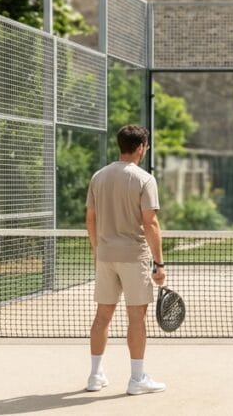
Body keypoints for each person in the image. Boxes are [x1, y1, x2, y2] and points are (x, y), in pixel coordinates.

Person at [84, 124, 168, 395]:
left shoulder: (98, 176)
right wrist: (159, 263)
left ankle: (95, 376)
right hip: (134, 257)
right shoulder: (145, 179)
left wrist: (98, 250)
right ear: (141, 147)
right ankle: (137, 379)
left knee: (102, 316)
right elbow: (150, 223)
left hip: (106, 257)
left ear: (121, 145)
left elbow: (90, 218)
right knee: (136, 318)